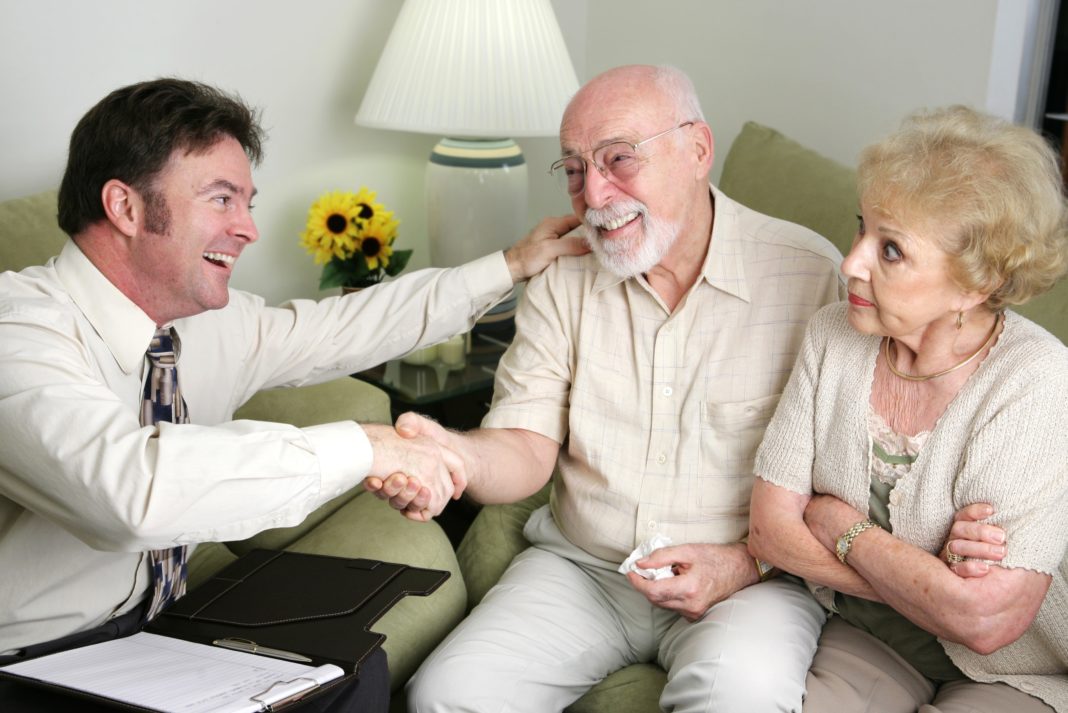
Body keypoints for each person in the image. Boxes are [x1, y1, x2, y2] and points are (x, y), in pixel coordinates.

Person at [0, 78, 585, 711]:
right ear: (126, 207)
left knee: (350, 670)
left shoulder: (206, 325)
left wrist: (510, 266)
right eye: (221, 199)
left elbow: (345, 327)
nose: (248, 229)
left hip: (157, 624)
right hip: (34, 656)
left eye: (246, 203)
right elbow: (130, 491)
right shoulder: (19, 331)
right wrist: (368, 446)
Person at [375, 64, 846, 712]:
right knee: (447, 695)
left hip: (750, 580)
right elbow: (524, 444)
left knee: (741, 696)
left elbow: (844, 487)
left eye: (619, 159)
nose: (594, 194)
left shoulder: (811, 276)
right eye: (574, 170)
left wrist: (748, 563)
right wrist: (457, 455)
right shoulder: (564, 272)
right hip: (584, 570)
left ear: (697, 149)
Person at [748, 105, 1068, 712]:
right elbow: (770, 532)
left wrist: (838, 525)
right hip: (866, 637)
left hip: (1010, 672)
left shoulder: (1036, 380)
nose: (851, 263)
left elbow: (986, 620)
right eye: (861, 228)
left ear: (974, 284)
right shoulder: (833, 335)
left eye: (890, 249)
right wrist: (928, 581)